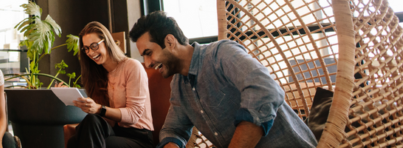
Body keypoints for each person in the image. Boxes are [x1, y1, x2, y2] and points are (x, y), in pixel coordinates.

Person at [129, 11, 317, 148]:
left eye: (148, 53)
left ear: (170, 42)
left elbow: (265, 90)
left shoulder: (221, 54)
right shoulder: (179, 86)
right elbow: (174, 129)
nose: (146, 64)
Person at [67, 21, 154, 148]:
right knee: (79, 134)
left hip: (139, 137)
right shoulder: (97, 74)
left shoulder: (131, 66)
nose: (90, 53)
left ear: (106, 41)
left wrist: (99, 109)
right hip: (115, 132)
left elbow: (133, 116)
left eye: (94, 46)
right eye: (86, 48)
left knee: (86, 141)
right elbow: (106, 120)